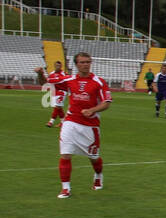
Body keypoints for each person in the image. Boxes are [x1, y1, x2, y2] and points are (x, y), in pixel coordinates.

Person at [35, 52, 112, 198]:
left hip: (91, 126)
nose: (85, 64)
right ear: (76, 65)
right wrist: (40, 73)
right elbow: (45, 83)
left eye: (88, 62)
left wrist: (92, 110)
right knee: (65, 154)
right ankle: (66, 188)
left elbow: (106, 103)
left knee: (94, 157)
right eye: (82, 62)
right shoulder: (68, 79)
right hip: (71, 122)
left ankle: (98, 175)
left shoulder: (99, 81)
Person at [44, 60, 69, 127]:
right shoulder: (51, 73)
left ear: (61, 66)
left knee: (57, 106)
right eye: (57, 65)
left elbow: (60, 80)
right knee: (59, 107)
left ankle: (51, 122)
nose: (58, 66)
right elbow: (48, 81)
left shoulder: (64, 74)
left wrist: (52, 80)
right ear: (54, 66)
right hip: (54, 92)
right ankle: (63, 122)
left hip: (62, 92)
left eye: (59, 65)